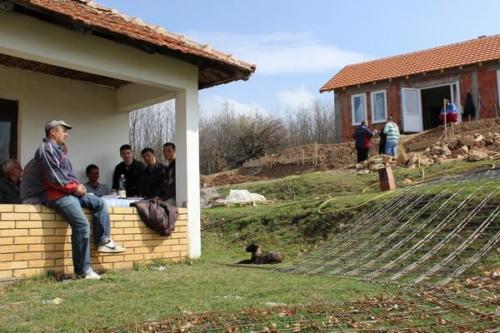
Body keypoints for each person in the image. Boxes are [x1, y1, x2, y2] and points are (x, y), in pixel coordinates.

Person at [35, 120, 125, 280]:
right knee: (82, 225)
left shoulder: (58, 151)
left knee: (99, 203)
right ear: (52, 132)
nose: (66, 134)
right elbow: (55, 178)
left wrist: (79, 186)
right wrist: (75, 188)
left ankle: (103, 240)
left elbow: (68, 176)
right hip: (57, 195)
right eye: (63, 131)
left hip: (69, 192)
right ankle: (82, 271)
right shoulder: (46, 149)